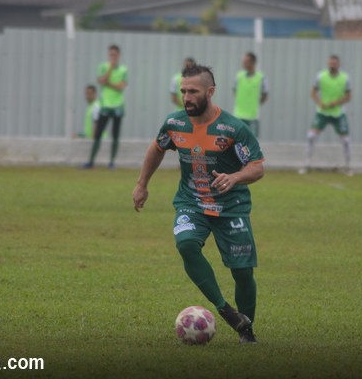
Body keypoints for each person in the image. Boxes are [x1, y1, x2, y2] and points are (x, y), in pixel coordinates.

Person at [132, 63, 265, 344]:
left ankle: (247, 331)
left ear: (210, 91)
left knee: (242, 272)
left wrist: (235, 177)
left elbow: (257, 167)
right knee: (186, 245)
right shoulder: (175, 123)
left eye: (193, 91)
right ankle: (226, 310)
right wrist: (142, 184)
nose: (186, 97)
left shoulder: (233, 128)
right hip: (191, 203)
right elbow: (157, 148)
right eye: (183, 91)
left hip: (231, 207)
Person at [300, 55, 352, 175]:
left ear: (338, 65)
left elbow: (348, 96)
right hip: (322, 112)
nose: (332, 65)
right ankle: (307, 164)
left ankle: (348, 166)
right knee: (311, 136)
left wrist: (336, 103)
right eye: (330, 63)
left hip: (338, 113)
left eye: (334, 63)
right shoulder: (321, 76)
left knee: (346, 140)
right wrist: (319, 102)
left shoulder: (345, 78)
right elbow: (313, 92)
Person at [83, 44, 128, 170]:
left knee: (115, 135)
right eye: (111, 54)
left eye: (115, 55)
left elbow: (121, 87)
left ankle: (112, 162)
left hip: (118, 106)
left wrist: (108, 83)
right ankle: (91, 161)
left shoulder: (123, 69)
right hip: (105, 105)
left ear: (119, 55)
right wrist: (110, 69)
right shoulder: (103, 67)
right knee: (98, 134)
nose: (113, 57)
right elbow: (101, 81)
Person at [232, 52, 268, 136]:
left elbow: (265, 94)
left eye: (246, 61)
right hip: (239, 115)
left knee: (253, 140)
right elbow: (234, 91)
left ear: (253, 63)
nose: (243, 63)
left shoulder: (261, 77)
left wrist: (254, 104)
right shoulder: (239, 76)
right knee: (238, 139)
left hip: (253, 117)